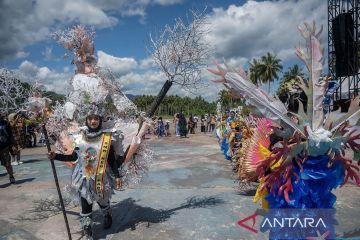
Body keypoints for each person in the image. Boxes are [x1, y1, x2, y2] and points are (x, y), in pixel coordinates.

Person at [47, 112, 122, 238]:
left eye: (96, 118)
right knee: (85, 205)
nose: (93, 121)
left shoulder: (107, 137)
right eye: (90, 118)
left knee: (103, 202)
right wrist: (56, 156)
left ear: (100, 120)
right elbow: (73, 157)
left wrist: (117, 175)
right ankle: (88, 231)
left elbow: (111, 160)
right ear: (86, 120)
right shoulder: (79, 137)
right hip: (83, 178)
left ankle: (107, 214)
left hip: (101, 179)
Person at [0, 112, 16, 184]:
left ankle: (11, 177)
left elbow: (10, 134)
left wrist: (13, 145)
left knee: (7, 163)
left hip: (4, 146)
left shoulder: (5, 123)